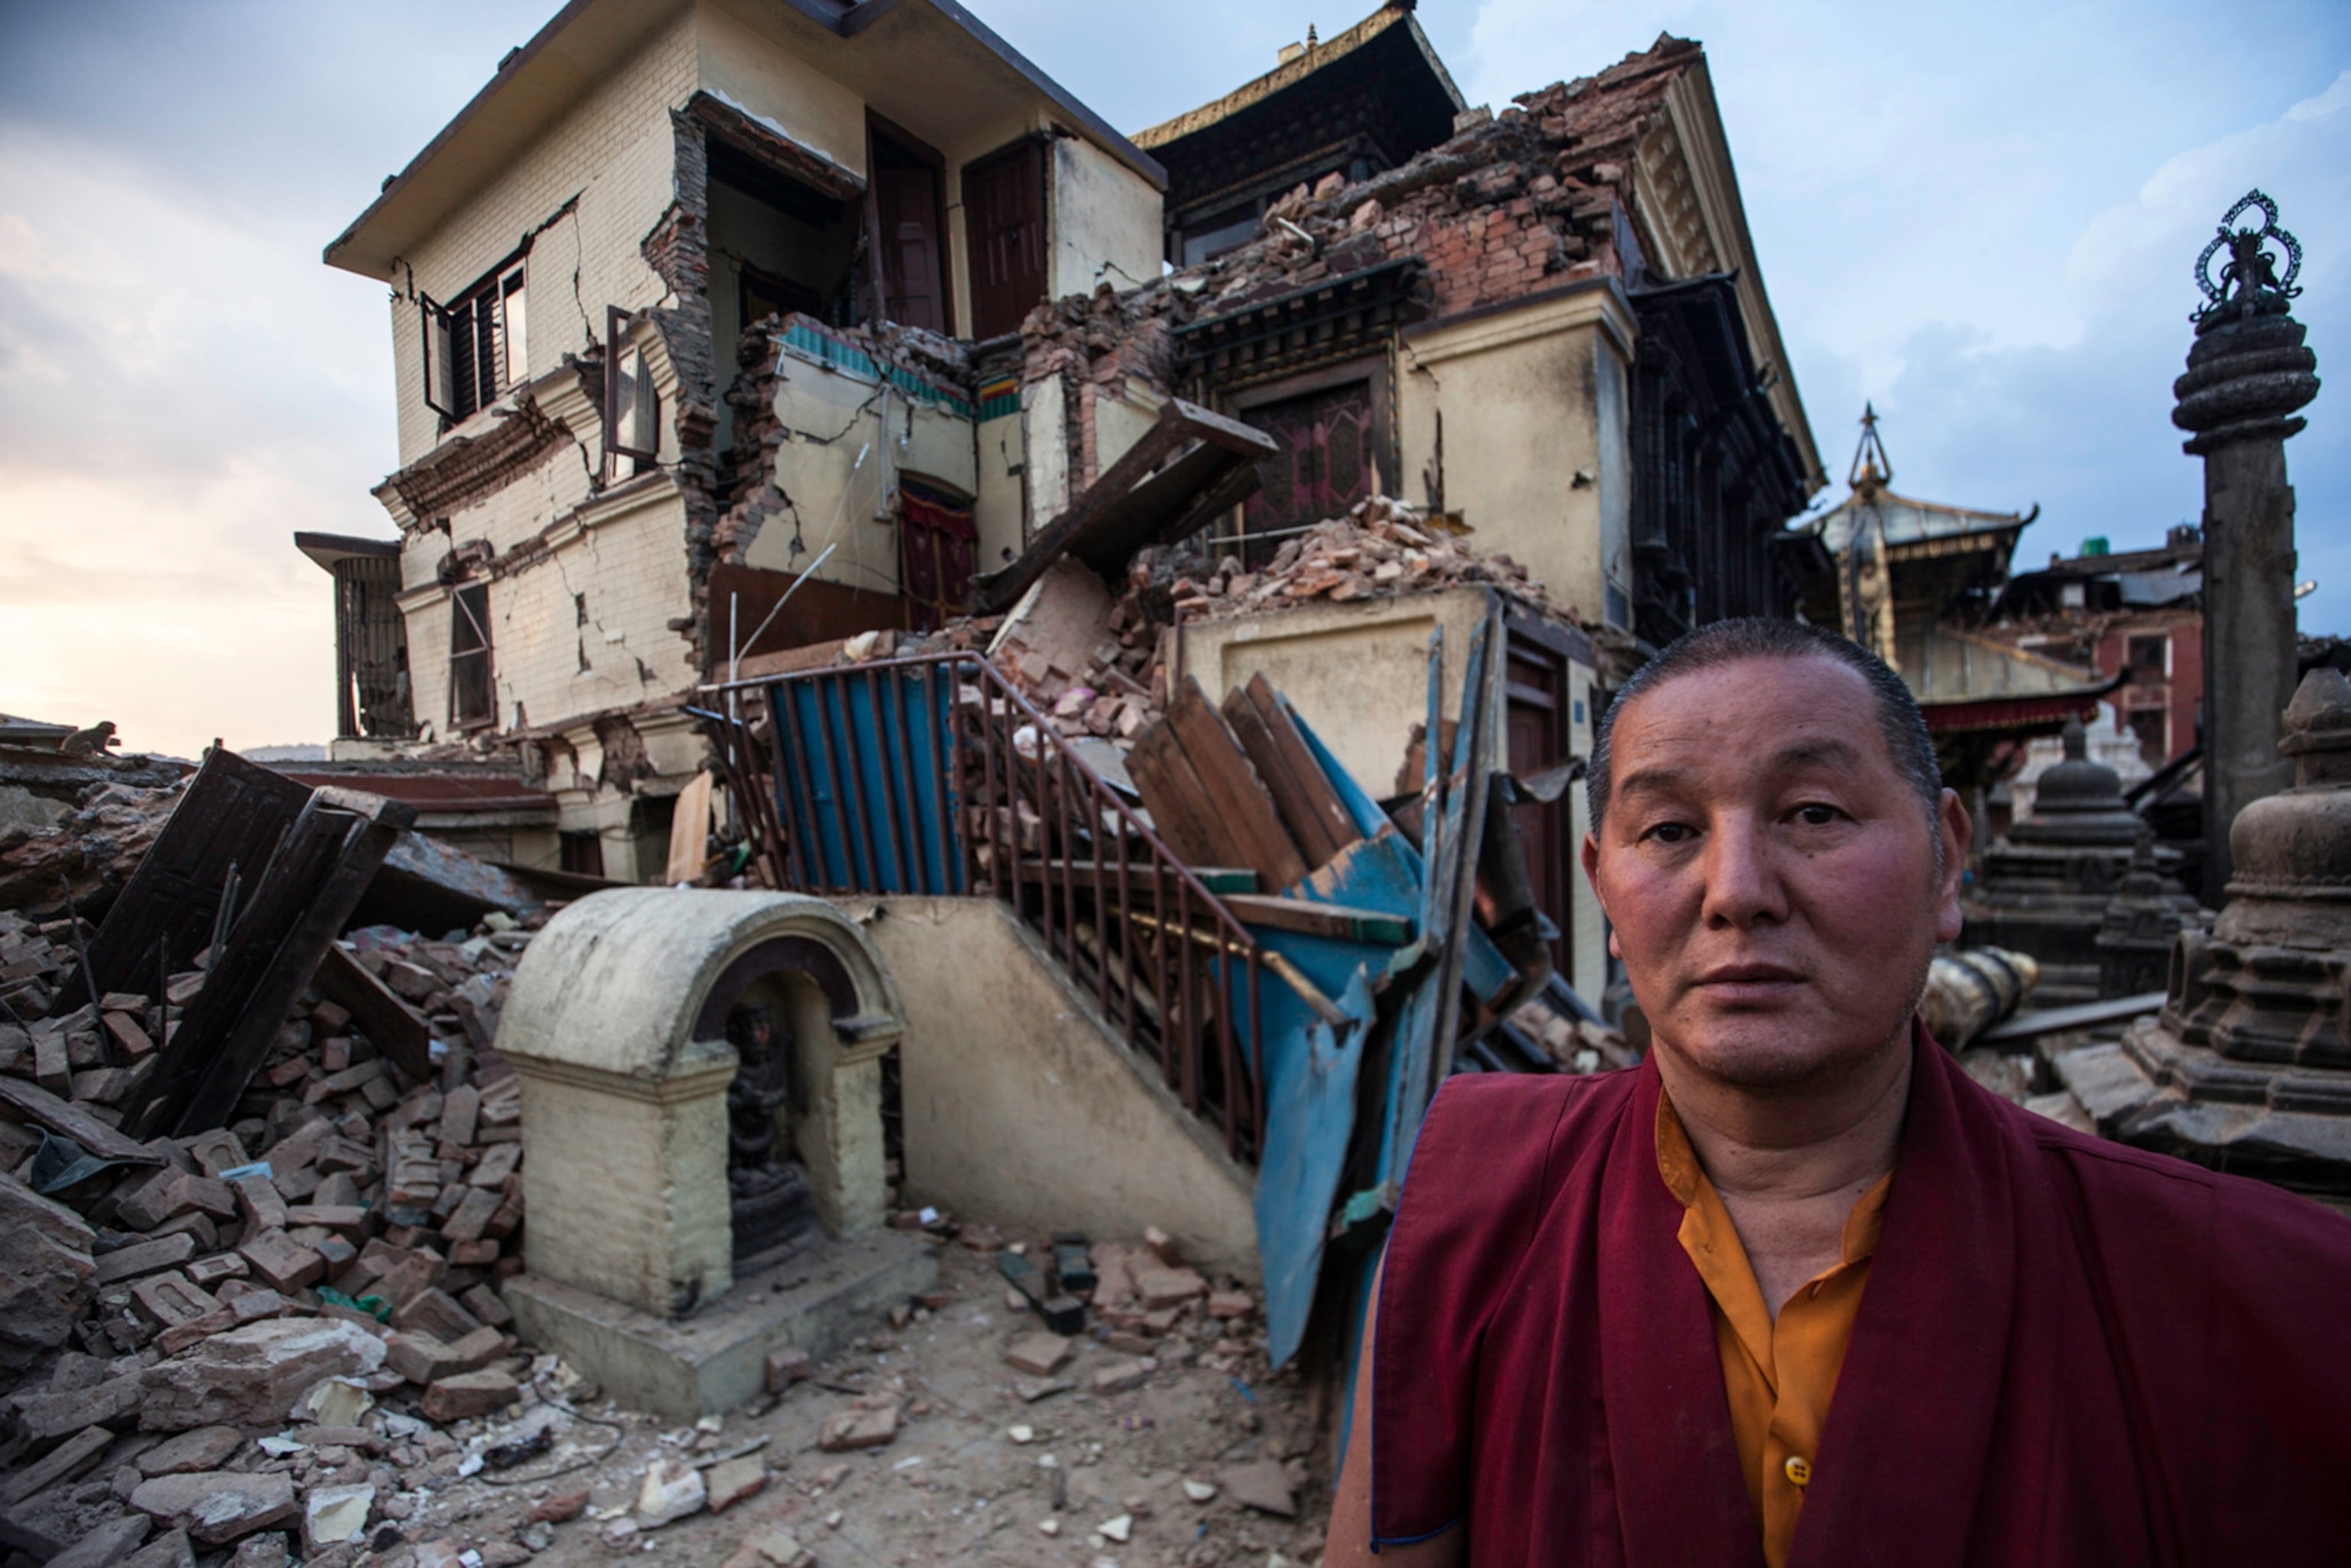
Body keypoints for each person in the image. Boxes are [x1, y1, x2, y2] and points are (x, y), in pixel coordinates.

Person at [1324, 618, 2351, 1566]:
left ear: (1948, 860)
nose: (1736, 890)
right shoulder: (1471, 1213)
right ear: (1602, 884)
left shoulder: (2236, 1291)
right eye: (1671, 830)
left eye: (1813, 812)